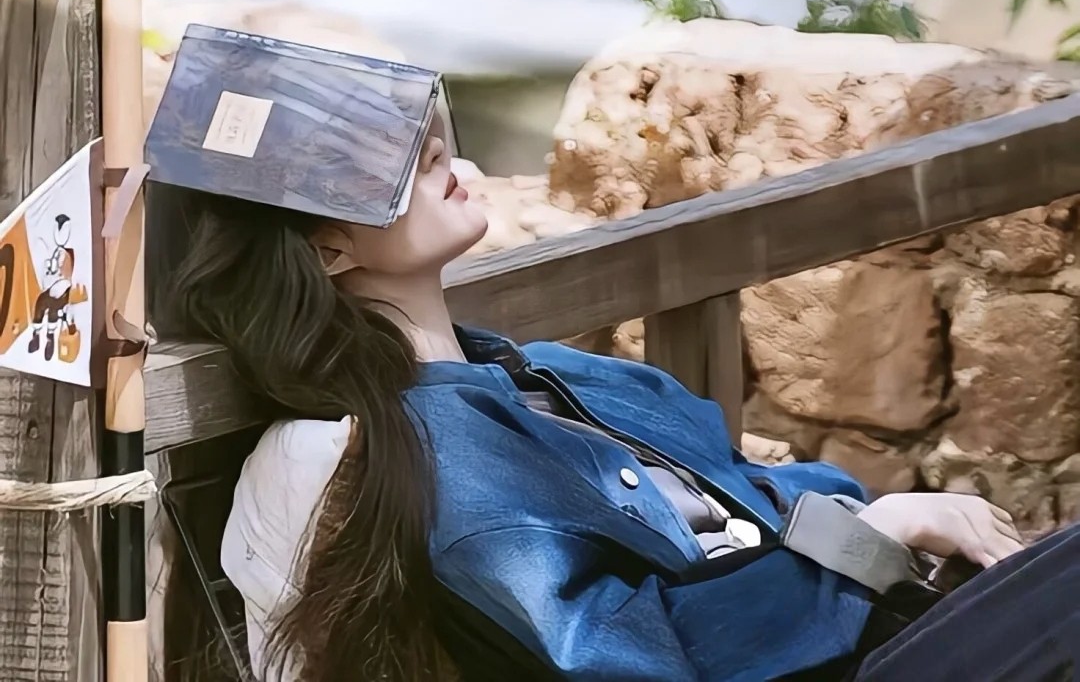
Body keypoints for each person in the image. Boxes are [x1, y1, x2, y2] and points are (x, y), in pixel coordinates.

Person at [150, 113, 1080, 682]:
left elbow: (754, 495)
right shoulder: (436, 457)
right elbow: (624, 654)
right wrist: (876, 532)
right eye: (405, 167)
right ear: (326, 251)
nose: (448, 160)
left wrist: (880, 525)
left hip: (883, 624)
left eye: (431, 144)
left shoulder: (554, 375)